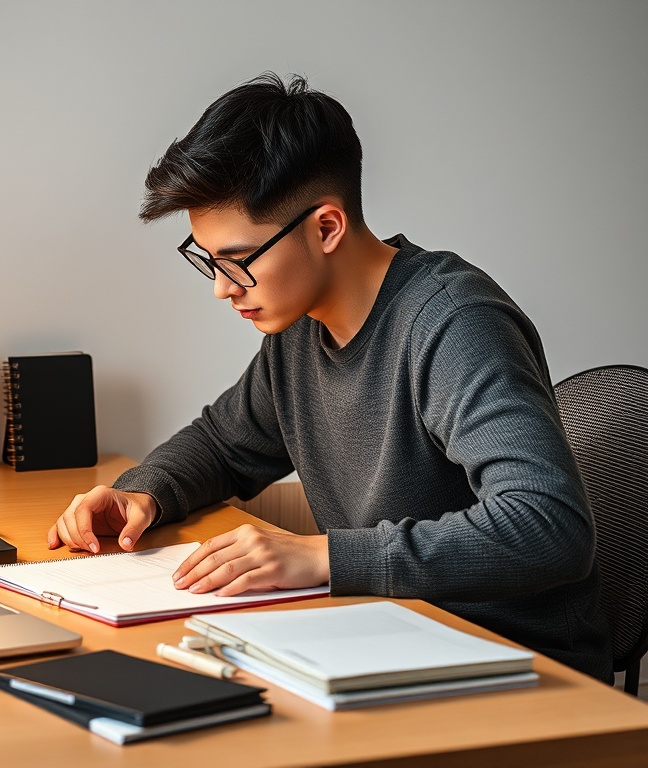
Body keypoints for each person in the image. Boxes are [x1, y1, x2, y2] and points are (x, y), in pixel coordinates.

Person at [47, 72, 612, 682]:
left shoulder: (454, 324)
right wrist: (145, 492)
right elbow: (223, 443)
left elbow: (549, 525)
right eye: (207, 261)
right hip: (388, 635)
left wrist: (326, 556)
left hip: (515, 666)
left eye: (238, 262)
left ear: (326, 228)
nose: (221, 288)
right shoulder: (298, 329)